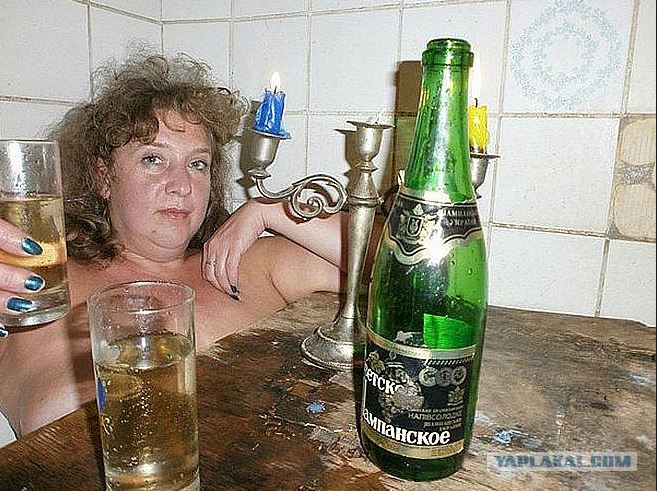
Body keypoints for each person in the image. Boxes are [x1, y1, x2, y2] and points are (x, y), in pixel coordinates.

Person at [0, 51, 355, 438]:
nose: (182, 186)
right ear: (103, 177)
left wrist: (271, 210)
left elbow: (395, 260)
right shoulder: (39, 282)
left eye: (197, 164)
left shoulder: (249, 267)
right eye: (154, 159)